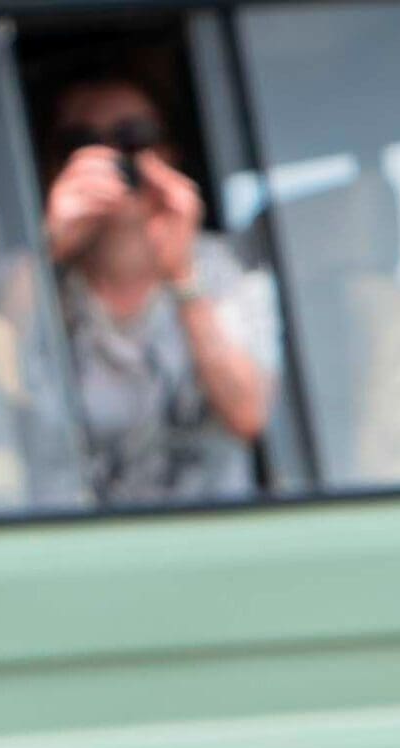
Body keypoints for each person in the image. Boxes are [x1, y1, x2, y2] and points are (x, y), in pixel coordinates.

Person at [39, 73, 274, 506]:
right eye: (81, 144)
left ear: (167, 154)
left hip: (207, 540)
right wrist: (48, 248)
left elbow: (248, 414)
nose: (111, 159)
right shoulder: (29, 274)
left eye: (132, 138)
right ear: (54, 164)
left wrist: (182, 277)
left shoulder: (221, 267)